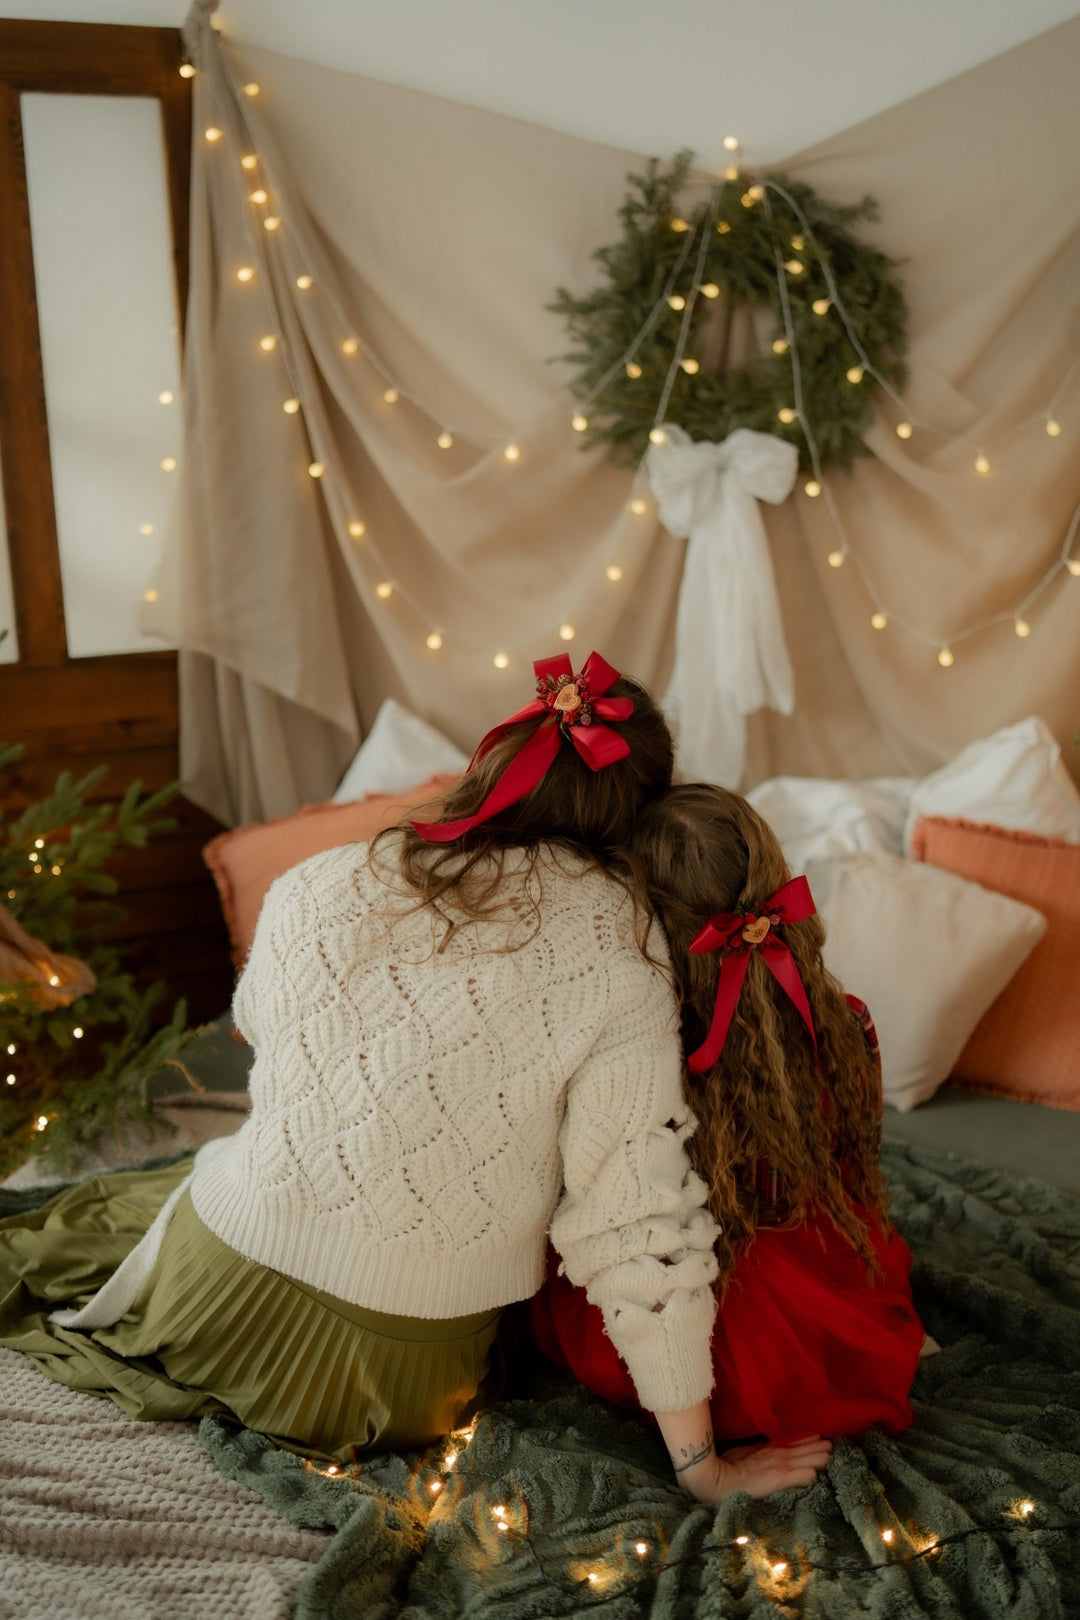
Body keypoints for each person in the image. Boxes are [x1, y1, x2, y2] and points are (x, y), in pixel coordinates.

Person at [0, 654, 830, 1504]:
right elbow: (635, 1220)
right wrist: (702, 1467)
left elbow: (258, 1024)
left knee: (107, 1214)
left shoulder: (330, 875)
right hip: (399, 1379)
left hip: (216, 1291)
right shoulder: (626, 946)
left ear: (499, 758)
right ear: (643, 807)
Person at [531, 782, 926, 1448]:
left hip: (696, 1341)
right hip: (821, 1317)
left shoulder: (641, 1062)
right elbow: (858, 1174)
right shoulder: (846, 1023)